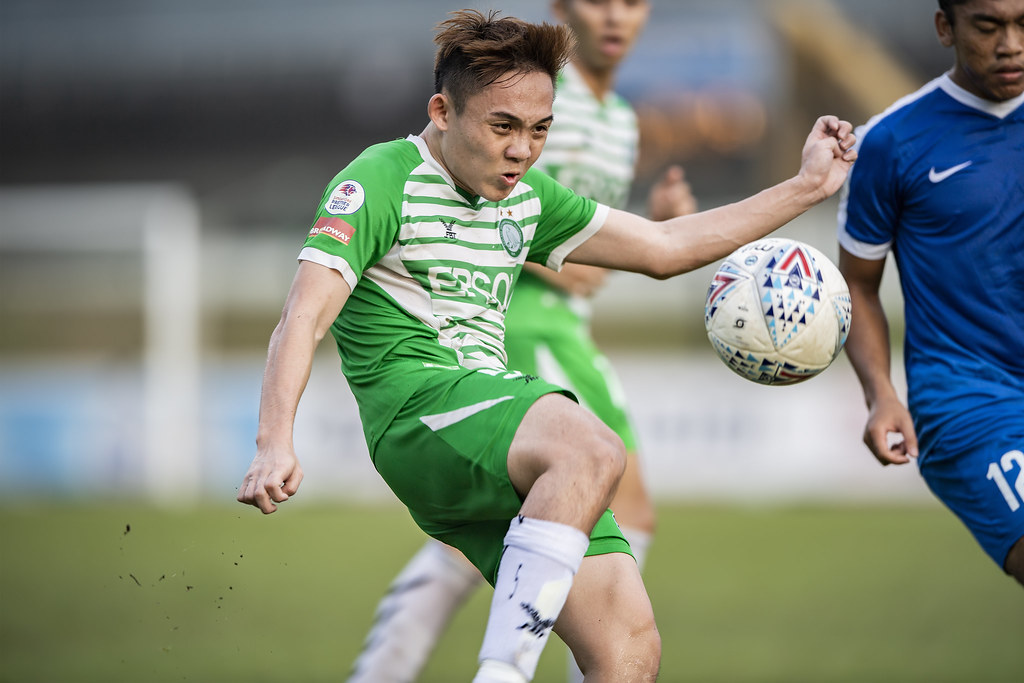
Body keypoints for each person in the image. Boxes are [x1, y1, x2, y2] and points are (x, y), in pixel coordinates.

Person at [236, 9, 858, 682]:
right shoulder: (380, 178)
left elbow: (663, 247)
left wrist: (807, 187)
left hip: (484, 430)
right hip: (418, 411)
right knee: (591, 447)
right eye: (502, 126)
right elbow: (302, 315)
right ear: (442, 111)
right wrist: (274, 440)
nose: (522, 150)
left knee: (629, 649)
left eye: (539, 130)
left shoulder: (527, 196)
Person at [345, 1, 697, 681]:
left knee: (525, 523)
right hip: (521, 326)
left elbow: (574, 232)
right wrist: (567, 264)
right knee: (595, 499)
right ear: (563, 10)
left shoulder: (619, 119)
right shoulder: (532, 101)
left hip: (567, 324)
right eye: (598, 1)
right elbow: (483, 211)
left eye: (631, 2)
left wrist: (649, 230)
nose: (616, 18)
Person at [837, 0, 1024, 587]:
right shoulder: (892, 141)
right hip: (968, 400)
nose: (1011, 44)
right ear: (946, 27)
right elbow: (857, 284)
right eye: (989, 26)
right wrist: (881, 394)